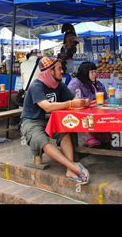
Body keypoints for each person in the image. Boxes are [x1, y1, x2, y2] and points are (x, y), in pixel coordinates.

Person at [20, 56, 92, 185]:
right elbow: (47, 107)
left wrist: (82, 102)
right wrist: (71, 103)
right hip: (31, 121)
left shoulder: (59, 85)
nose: (62, 71)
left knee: (64, 130)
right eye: (59, 69)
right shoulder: (36, 86)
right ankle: (73, 166)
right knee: (42, 140)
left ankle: (70, 169)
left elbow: (73, 99)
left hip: (52, 119)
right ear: (49, 71)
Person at [68, 62, 109, 147]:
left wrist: (98, 87)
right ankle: (88, 135)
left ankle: (99, 133)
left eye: (95, 71)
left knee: (107, 138)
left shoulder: (94, 83)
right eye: (92, 72)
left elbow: (105, 96)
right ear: (85, 73)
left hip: (94, 112)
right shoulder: (75, 83)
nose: (95, 74)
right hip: (80, 114)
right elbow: (75, 102)